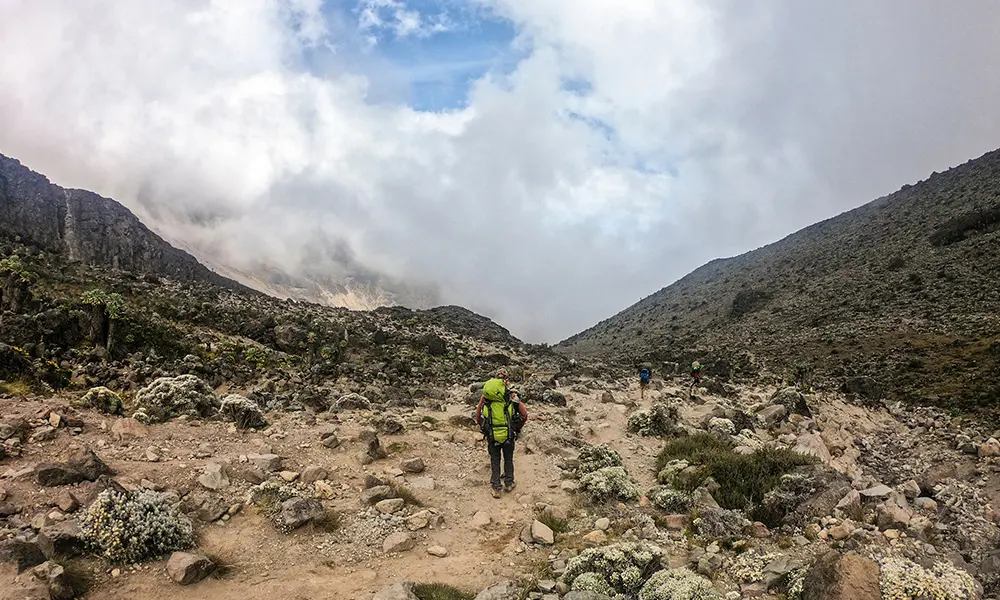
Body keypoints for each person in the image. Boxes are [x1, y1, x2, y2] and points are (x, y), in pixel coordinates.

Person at [475, 370, 528, 499]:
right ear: (506, 382)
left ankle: (496, 487)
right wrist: (517, 428)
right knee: (508, 458)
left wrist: (483, 428)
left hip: (492, 434)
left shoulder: (487, 398)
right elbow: (524, 415)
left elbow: (478, 415)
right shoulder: (511, 396)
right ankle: (509, 483)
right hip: (509, 434)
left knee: (495, 459)